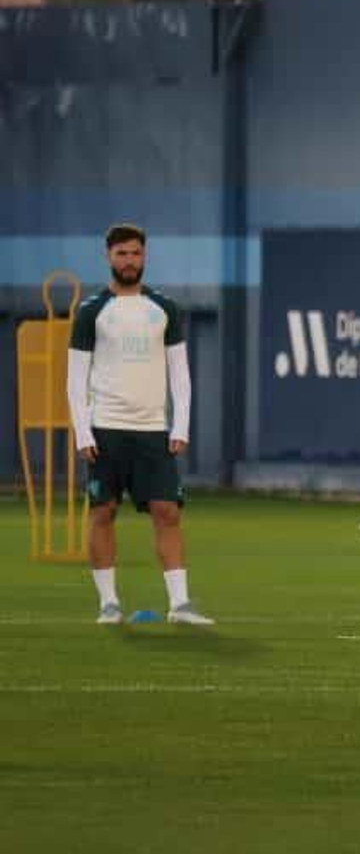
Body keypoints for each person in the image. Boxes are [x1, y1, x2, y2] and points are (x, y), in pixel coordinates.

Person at [67, 224, 214, 626]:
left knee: (168, 511)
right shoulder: (92, 311)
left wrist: (179, 426)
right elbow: (75, 378)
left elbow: (180, 375)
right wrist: (83, 431)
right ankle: (108, 604)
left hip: (153, 429)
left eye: (135, 253)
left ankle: (180, 605)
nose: (129, 261)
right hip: (105, 428)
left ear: (144, 256)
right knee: (103, 512)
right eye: (121, 254)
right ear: (108, 257)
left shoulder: (164, 308)